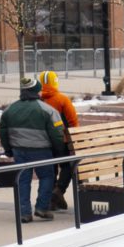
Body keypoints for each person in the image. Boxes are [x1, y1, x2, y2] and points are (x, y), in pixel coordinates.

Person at [0, 73, 69, 224]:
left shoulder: (9, 110)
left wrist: (8, 149)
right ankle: (42, 208)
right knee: (47, 177)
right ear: (37, 91)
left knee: (23, 181)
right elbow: (57, 134)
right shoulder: (47, 110)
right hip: (41, 151)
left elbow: (2, 130)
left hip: (19, 151)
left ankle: (25, 213)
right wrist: (58, 153)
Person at [37, 70, 80, 211]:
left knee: (50, 171)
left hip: (44, 142)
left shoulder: (37, 101)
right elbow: (73, 122)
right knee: (67, 166)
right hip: (62, 140)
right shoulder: (62, 100)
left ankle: (51, 199)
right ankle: (59, 191)